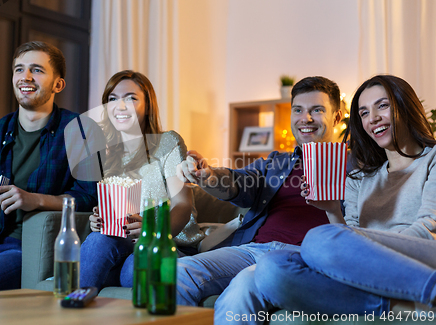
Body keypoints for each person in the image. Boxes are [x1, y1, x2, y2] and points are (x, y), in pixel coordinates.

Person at [237, 74, 436, 322]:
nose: (372, 118)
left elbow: (428, 231)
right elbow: (347, 241)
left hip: (420, 257)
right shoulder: (360, 176)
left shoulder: (432, 160)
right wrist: (332, 210)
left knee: (318, 238)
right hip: (365, 274)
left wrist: (359, 248)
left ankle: (431, 290)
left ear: (405, 106)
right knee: (270, 268)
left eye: (382, 106)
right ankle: (392, 305)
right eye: (363, 113)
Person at [0, 41, 97, 297]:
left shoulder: (80, 131)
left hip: (28, 250)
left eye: (37, 70)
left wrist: (35, 200)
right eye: (19, 69)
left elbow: (89, 197)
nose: (26, 77)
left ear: (58, 84)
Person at [175, 76, 343, 312]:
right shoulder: (277, 162)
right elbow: (236, 182)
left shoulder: (356, 167)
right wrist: (209, 176)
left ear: (336, 116)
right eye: (298, 110)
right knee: (177, 272)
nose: (305, 118)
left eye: (316, 110)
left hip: (304, 256)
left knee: (244, 286)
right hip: (252, 250)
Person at [79, 70, 204, 291]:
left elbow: (183, 205)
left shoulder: (167, 142)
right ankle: (73, 309)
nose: (120, 106)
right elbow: (117, 215)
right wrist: (101, 220)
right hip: (124, 246)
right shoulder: (107, 156)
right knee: (97, 241)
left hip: (169, 243)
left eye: (131, 98)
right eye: (112, 99)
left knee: (132, 269)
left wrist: (153, 231)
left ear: (148, 105)